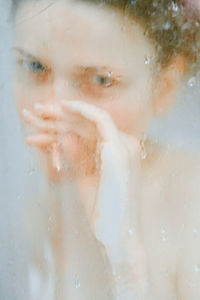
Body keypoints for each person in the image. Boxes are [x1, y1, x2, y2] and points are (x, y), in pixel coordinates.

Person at [11, 0, 200, 299]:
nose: (52, 108)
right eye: (35, 66)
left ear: (164, 86)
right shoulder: (19, 206)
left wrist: (124, 259)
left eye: (101, 80)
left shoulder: (192, 204)